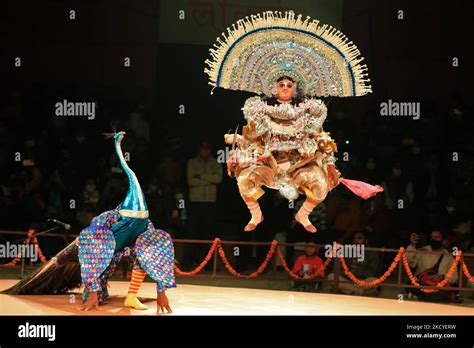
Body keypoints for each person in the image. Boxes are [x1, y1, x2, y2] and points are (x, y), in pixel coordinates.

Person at [205, 10, 382, 233]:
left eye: (289, 85)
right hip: (270, 162)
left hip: (298, 164)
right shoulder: (261, 109)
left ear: (295, 88)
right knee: (243, 179)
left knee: (321, 185)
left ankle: (303, 214)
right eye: (281, 85)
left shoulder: (308, 110)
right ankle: (256, 214)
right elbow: (254, 133)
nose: (285, 88)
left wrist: (323, 148)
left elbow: (316, 134)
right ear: (274, 88)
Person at [3, 132, 176, 313]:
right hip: (97, 255)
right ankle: (94, 289)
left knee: (145, 251)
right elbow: (92, 246)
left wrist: (161, 291)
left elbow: (155, 254)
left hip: (121, 251)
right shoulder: (108, 218)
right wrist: (93, 290)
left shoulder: (146, 224)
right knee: (96, 297)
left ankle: (131, 297)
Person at [185, 141, 222, 266]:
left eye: (207, 149)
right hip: (195, 202)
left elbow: (218, 179)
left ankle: (209, 263)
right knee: (192, 232)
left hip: (210, 203)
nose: (205, 151)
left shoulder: (216, 163)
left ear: (210, 150)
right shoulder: (192, 162)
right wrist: (209, 179)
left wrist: (200, 175)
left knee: (209, 233)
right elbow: (190, 181)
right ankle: (189, 261)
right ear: (199, 149)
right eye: (202, 148)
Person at [406, 230, 459, 302]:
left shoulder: (448, 257)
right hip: (422, 284)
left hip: (438, 286)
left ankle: (422, 296)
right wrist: (412, 245)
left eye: (437, 237)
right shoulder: (422, 251)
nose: (434, 239)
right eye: (432, 237)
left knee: (442, 292)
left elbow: (454, 276)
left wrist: (441, 277)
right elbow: (410, 263)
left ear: (442, 240)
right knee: (411, 285)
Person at [327, 230, 380, 296]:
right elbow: (338, 269)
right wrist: (348, 274)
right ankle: (361, 292)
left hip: (362, 281)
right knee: (331, 276)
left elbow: (372, 272)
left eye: (359, 238)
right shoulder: (346, 250)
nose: (356, 241)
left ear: (366, 241)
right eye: (354, 238)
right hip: (347, 280)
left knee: (374, 280)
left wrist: (356, 273)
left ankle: (349, 290)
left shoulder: (372, 253)